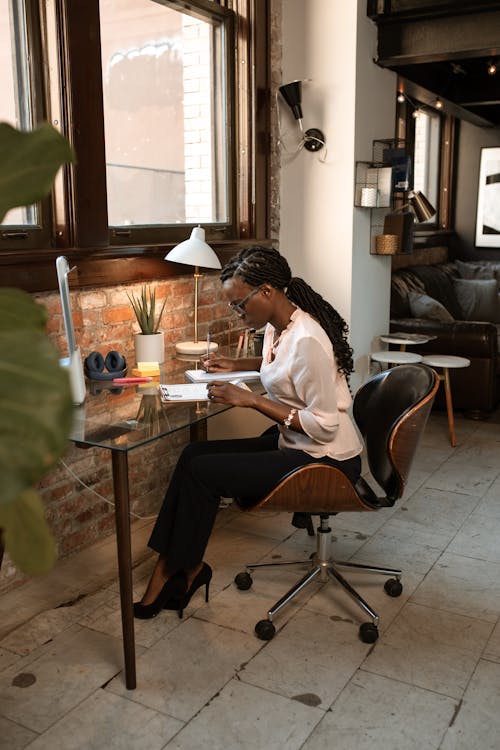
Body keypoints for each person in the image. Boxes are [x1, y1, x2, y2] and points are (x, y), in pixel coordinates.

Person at [134, 246, 363, 619]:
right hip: (298, 444)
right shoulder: (280, 325)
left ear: (268, 291)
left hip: (327, 460)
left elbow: (325, 426)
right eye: (233, 307)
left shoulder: (307, 338)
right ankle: (180, 565)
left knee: (202, 473)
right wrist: (237, 364)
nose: (237, 314)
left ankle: (176, 569)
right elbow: (283, 364)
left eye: (240, 305)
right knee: (193, 455)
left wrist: (252, 401)